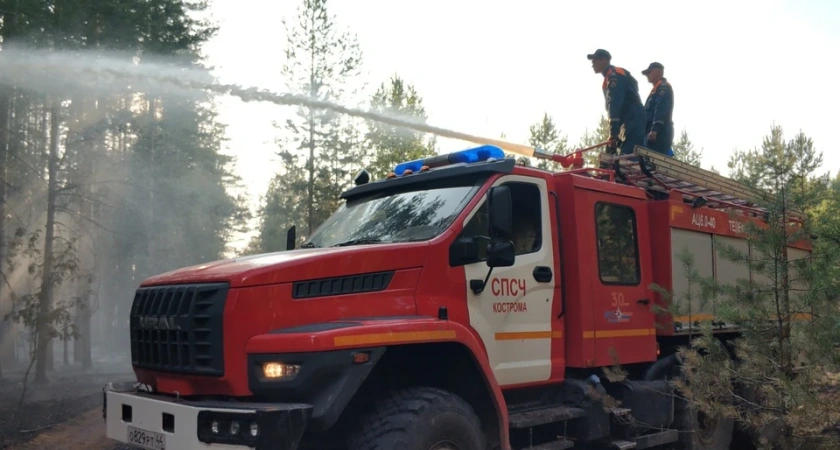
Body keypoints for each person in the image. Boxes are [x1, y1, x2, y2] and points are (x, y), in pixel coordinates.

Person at [587, 49, 646, 156]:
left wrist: (613, 132)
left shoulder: (614, 75)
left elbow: (614, 104)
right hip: (628, 119)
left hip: (632, 118)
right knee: (622, 154)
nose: (592, 64)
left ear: (604, 60)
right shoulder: (611, 76)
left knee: (628, 156)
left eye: (595, 60)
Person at [641, 62, 675, 155]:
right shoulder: (655, 90)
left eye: (649, 72)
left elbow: (661, 108)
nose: (647, 75)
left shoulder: (663, 87)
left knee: (650, 159)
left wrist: (655, 130)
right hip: (651, 133)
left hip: (659, 133)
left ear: (659, 72)